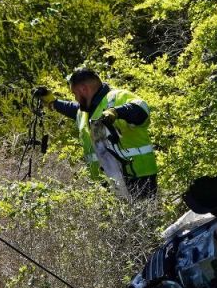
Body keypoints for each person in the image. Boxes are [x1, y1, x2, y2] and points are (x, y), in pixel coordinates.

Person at [35, 68, 157, 200]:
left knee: (143, 219)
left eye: (74, 93)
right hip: (106, 182)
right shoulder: (85, 111)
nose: (75, 98)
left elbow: (142, 109)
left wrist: (116, 112)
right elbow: (72, 108)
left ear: (83, 89)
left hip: (137, 177)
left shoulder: (116, 98)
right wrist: (53, 102)